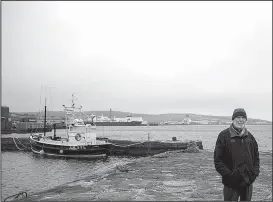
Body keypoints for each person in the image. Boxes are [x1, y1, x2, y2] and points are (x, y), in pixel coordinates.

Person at [214, 108, 260, 201]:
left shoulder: (250, 137)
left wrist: (253, 175)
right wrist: (230, 176)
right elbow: (218, 160)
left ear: (246, 119)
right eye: (238, 117)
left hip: (247, 181)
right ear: (233, 119)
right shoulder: (224, 136)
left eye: (243, 117)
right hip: (231, 183)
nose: (241, 120)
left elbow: (256, 158)